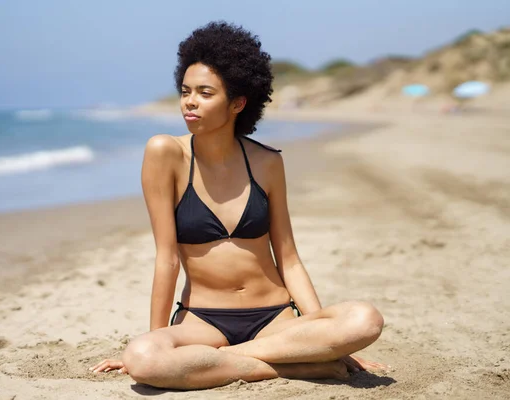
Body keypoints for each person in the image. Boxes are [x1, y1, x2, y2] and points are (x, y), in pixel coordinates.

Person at [90, 21, 387, 390]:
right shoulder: (165, 153)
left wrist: (320, 333)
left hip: (277, 318)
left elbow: (289, 259)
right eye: (185, 91)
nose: (190, 101)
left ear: (237, 103)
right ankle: (289, 366)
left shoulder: (267, 163)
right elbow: (166, 257)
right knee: (143, 359)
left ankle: (250, 358)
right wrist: (159, 338)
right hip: (202, 322)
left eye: (204, 92)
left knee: (365, 318)